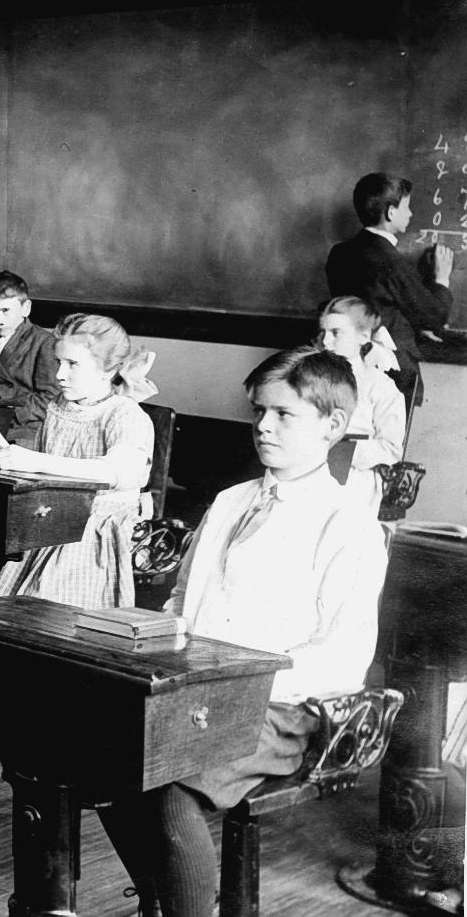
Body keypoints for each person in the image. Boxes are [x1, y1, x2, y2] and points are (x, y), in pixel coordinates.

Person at [99, 347, 387, 917]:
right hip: (199, 691)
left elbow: (344, 658)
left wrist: (234, 684)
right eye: (259, 411)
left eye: (284, 415)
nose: (263, 426)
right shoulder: (232, 500)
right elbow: (183, 601)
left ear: (332, 425)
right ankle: (164, 897)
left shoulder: (347, 523)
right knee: (102, 751)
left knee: (171, 776)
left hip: (283, 707)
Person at [0, 313, 155, 610]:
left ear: (107, 369)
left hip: (93, 541)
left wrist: (34, 460)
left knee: (46, 612)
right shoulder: (58, 407)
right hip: (49, 529)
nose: (59, 375)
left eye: (73, 364)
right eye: (59, 363)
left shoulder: (123, 414)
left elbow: (119, 473)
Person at [326, 172, 453, 400]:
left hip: (345, 363)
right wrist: (441, 278)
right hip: (390, 369)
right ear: (391, 212)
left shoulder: (339, 253)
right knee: (390, 433)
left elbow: (373, 305)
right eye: (407, 207)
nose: (411, 213)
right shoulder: (390, 260)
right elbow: (434, 316)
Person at [317, 296, 407, 513]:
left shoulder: (380, 386)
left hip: (353, 473)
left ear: (363, 336)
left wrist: (337, 451)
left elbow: (390, 448)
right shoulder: (309, 379)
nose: (326, 341)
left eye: (336, 333)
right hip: (307, 464)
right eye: (322, 333)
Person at [0, 270, 59, 444]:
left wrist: (9, 413)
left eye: (5, 310)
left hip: (24, 428)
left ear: (26, 308)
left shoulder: (44, 342)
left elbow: (51, 396)